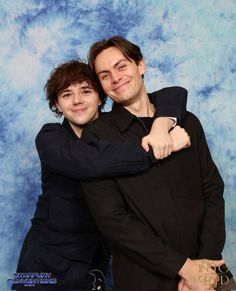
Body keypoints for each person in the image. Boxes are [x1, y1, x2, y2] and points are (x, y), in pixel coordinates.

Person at [12, 59, 190, 291]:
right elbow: (90, 161)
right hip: (42, 263)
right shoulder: (49, 137)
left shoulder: (117, 130)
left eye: (85, 91)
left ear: (100, 96)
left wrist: (160, 127)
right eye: (66, 95)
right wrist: (159, 148)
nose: (77, 101)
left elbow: (174, 94)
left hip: (92, 265)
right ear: (57, 104)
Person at [81, 36, 226, 291]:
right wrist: (184, 268)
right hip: (144, 276)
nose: (115, 77)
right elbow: (111, 219)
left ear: (141, 65)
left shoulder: (187, 121)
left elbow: (213, 190)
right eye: (105, 75)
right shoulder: (97, 137)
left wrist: (205, 263)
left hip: (208, 265)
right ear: (102, 86)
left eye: (121, 66)